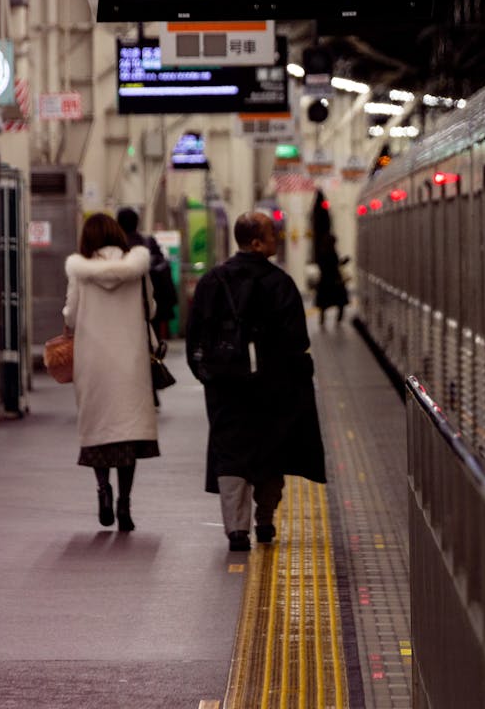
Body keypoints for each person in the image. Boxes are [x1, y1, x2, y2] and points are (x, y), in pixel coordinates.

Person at [186, 211, 327, 552]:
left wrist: (208, 378)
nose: (277, 238)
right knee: (270, 453)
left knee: (230, 453)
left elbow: (195, 340)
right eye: (271, 234)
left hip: (225, 387)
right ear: (256, 242)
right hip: (272, 388)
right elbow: (297, 341)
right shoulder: (280, 284)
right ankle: (264, 520)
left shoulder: (211, 282)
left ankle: (236, 530)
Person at [63, 213, 160, 532]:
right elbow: (152, 308)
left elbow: (72, 315)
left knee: (99, 432)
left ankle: (103, 491)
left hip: (93, 362)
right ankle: (124, 504)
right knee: (127, 433)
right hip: (129, 361)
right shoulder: (137, 267)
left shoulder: (80, 271)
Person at [117, 207, 178, 340]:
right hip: (149, 302)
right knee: (151, 341)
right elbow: (162, 266)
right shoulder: (148, 242)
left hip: (123, 306)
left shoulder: (116, 247)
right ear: (137, 222)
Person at [313, 232, 349, 328]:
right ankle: (338, 319)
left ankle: (322, 319)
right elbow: (334, 265)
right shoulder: (331, 252)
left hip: (325, 280)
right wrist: (342, 262)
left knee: (324, 302)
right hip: (333, 280)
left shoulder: (322, 252)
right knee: (340, 300)